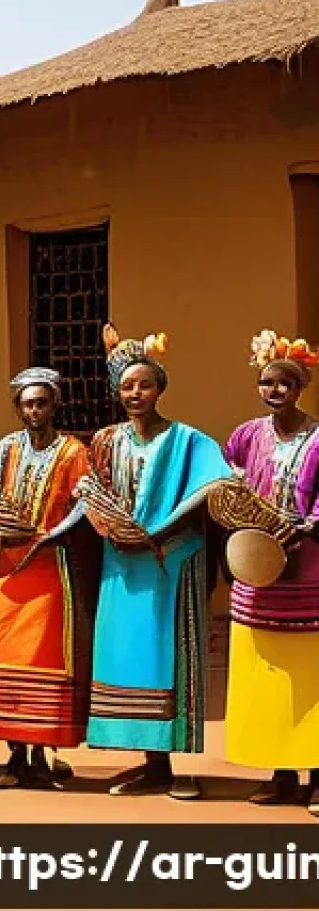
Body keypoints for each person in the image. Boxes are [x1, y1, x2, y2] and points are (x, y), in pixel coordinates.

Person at [84, 325, 229, 798]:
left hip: (171, 563)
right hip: (122, 563)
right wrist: (109, 526)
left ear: (161, 388)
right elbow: (89, 492)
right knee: (127, 657)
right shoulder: (105, 442)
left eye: (145, 384)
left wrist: (162, 528)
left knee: (167, 656)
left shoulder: (189, 440)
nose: (136, 393)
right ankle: (151, 764)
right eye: (127, 385)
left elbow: (216, 485)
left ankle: (171, 759)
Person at [0, 368, 99, 788]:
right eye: (27, 403)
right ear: (17, 408)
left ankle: (39, 753)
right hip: (7, 564)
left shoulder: (73, 452)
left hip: (49, 566)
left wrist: (51, 536)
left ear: (54, 404)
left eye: (42, 402)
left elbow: (84, 503)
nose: (34, 410)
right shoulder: (6, 448)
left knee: (43, 658)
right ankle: (14, 754)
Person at [223, 330, 319, 814]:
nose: (273, 391)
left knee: (311, 679)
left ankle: (318, 776)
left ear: (300, 388)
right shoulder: (246, 434)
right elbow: (226, 482)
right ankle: (281, 773)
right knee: (270, 680)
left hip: (307, 575)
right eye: (266, 382)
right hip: (258, 574)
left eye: (283, 383)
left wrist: (307, 526)